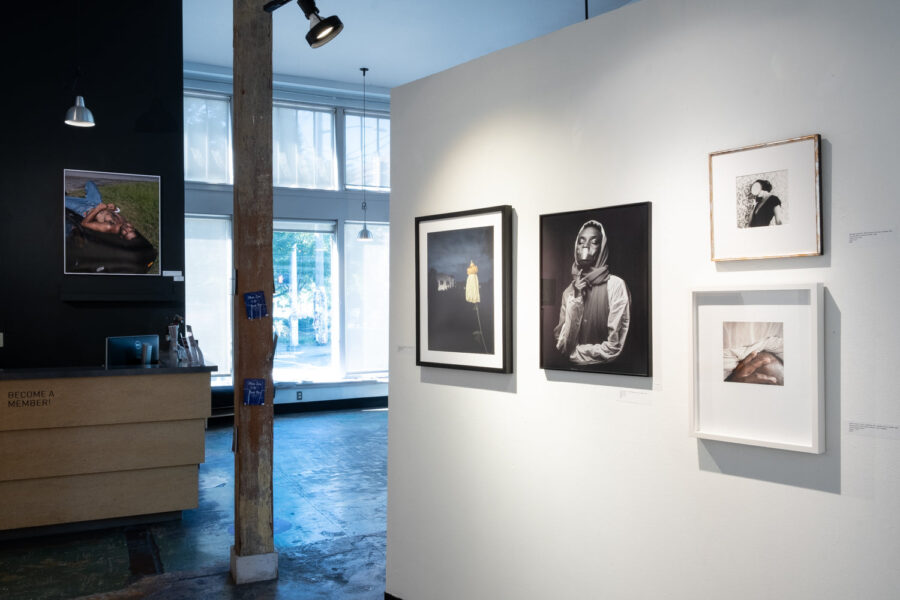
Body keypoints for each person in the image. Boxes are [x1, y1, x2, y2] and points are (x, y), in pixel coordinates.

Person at [553, 220, 630, 365]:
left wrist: (575, 355)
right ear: (576, 248)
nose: (585, 246)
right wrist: (576, 298)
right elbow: (564, 345)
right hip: (571, 375)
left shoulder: (616, 285)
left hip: (609, 374)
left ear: (602, 249)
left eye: (594, 242)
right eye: (581, 242)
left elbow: (614, 348)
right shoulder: (569, 292)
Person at [65, 180, 138, 240]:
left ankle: (70, 199)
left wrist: (97, 209)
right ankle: (78, 198)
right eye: (130, 230)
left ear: (121, 236)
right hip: (96, 202)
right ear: (133, 229)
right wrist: (115, 209)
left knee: (62, 199)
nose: (127, 230)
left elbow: (84, 224)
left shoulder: (108, 227)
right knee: (90, 183)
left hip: (84, 209)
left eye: (126, 233)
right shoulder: (126, 224)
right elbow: (114, 214)